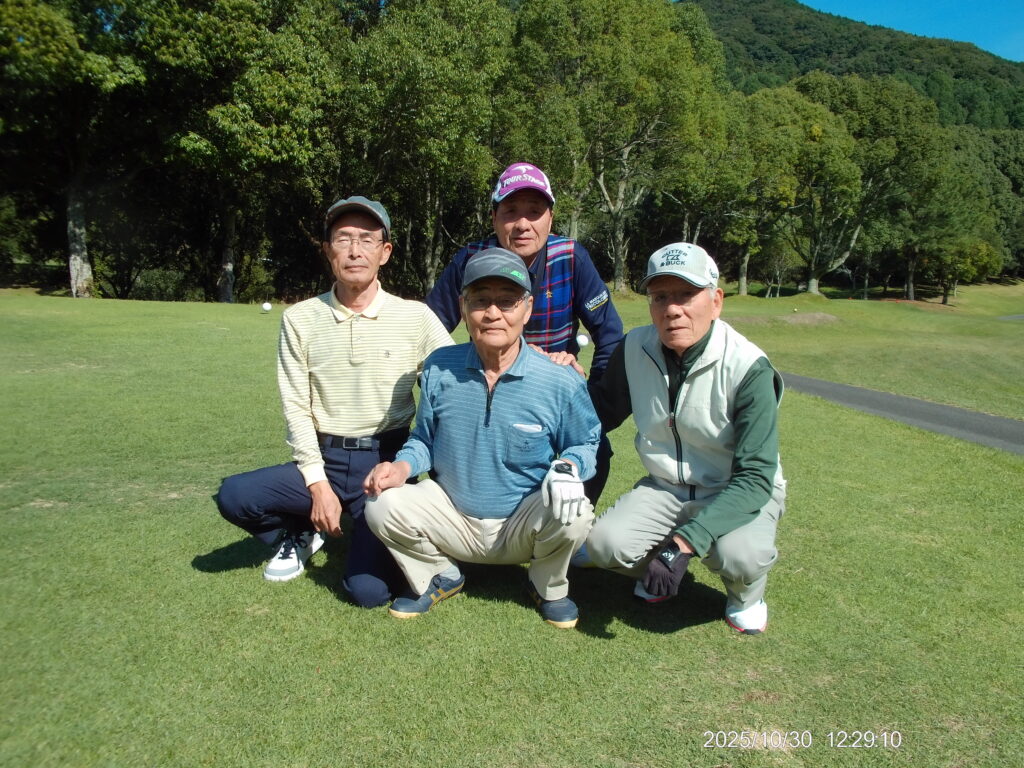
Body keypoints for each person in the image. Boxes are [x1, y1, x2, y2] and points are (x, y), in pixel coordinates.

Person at [215, 196, 453, 607]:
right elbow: (296, 406)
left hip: (383, 461)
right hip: (323, 457)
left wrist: (532, 356)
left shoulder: (415, 317)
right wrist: (318, 484)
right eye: (343, 239)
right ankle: (305, 531)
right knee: (235, 496)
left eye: (366, 239)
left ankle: (367, 531)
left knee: (369, 592)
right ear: (328, 251)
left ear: (385, 252)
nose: (355, 250)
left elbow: (457, 378)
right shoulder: (300, 318)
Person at [364, 247, 601, 629]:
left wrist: (568, 466)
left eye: (507, 302)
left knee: (575, 511)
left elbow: (586, 442)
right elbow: (424, 438)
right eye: (480, 300)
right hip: (453, 517)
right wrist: (401, 466)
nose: (493, 313)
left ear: (527, 309)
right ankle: (440, 574)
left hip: (521, 525)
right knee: (381, 504)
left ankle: (547, 586)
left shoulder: (559, 379)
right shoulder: (441, 366)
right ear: (463, 306)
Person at [584, 243, 786, 634]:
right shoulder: (634, 348)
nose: (672, 309)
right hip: (665, 489)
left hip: (734, 490)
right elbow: (600, 412)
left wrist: (684, 543)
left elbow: (756, 477)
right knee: (605, 545)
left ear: (716, 301)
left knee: (741, 556)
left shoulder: (749, 368)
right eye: (660, 297)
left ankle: (746, 596)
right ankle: (660, 571)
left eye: (686, 294)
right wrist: (556, 385)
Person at [425, 162, 623, 504]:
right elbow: (427, 329)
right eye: (510, 211)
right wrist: (451, 378)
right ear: (493, 217)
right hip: (485, 388)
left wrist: (590, 401)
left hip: (552, 395)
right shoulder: (470, 259)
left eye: (534, 211)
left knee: (595, 450)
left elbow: (610, 334)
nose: (522, 224)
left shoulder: (570, 257)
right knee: (446, 444)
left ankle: (565, 539)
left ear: (550, 217)